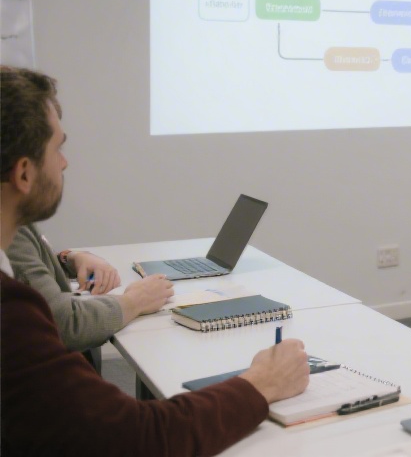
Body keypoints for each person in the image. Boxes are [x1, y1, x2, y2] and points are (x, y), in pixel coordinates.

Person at [0, 66, 311, 455]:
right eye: (57, 149)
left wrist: (68, 257)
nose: (64, 163)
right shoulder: (9, 313)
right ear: (24, 173)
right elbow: (141, 438)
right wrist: (262, 383)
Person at [9, 222, 173, 354]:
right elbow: (66, 324)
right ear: (22, 179)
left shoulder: (15, 224)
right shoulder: (11, 233)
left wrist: (69, 259)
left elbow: (25, 271)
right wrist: (135, 301)